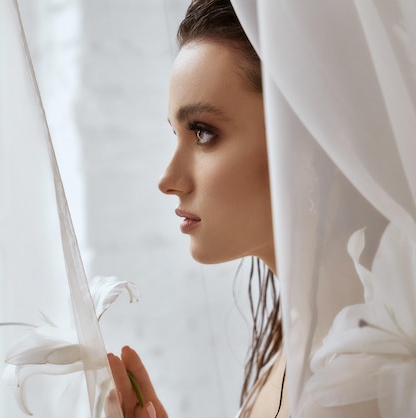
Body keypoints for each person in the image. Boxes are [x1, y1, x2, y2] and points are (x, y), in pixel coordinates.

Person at [107, 0, 287, 417]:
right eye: (176, 133)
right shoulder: (293, 340)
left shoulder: (366, 368)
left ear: (301, 140)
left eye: (203, 133)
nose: (168, 179)